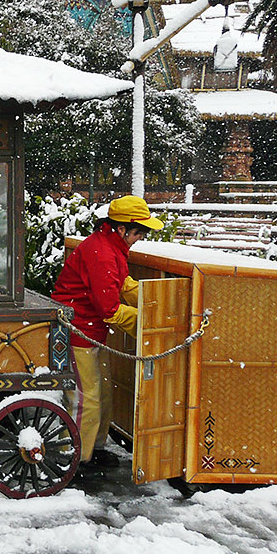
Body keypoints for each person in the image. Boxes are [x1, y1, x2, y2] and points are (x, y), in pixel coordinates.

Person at [51, 195, 163, 471]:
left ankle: (93, 449)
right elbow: (110, 309)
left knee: (102, 394)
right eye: (139, 232)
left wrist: (159, 302)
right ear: (122, 228)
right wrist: (151, 322)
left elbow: (124, 284)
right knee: (84, 399)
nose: (140, 238)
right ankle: (72, 458)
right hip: (77, 334)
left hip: (93, 331)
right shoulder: (101, 252)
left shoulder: (111, 246)